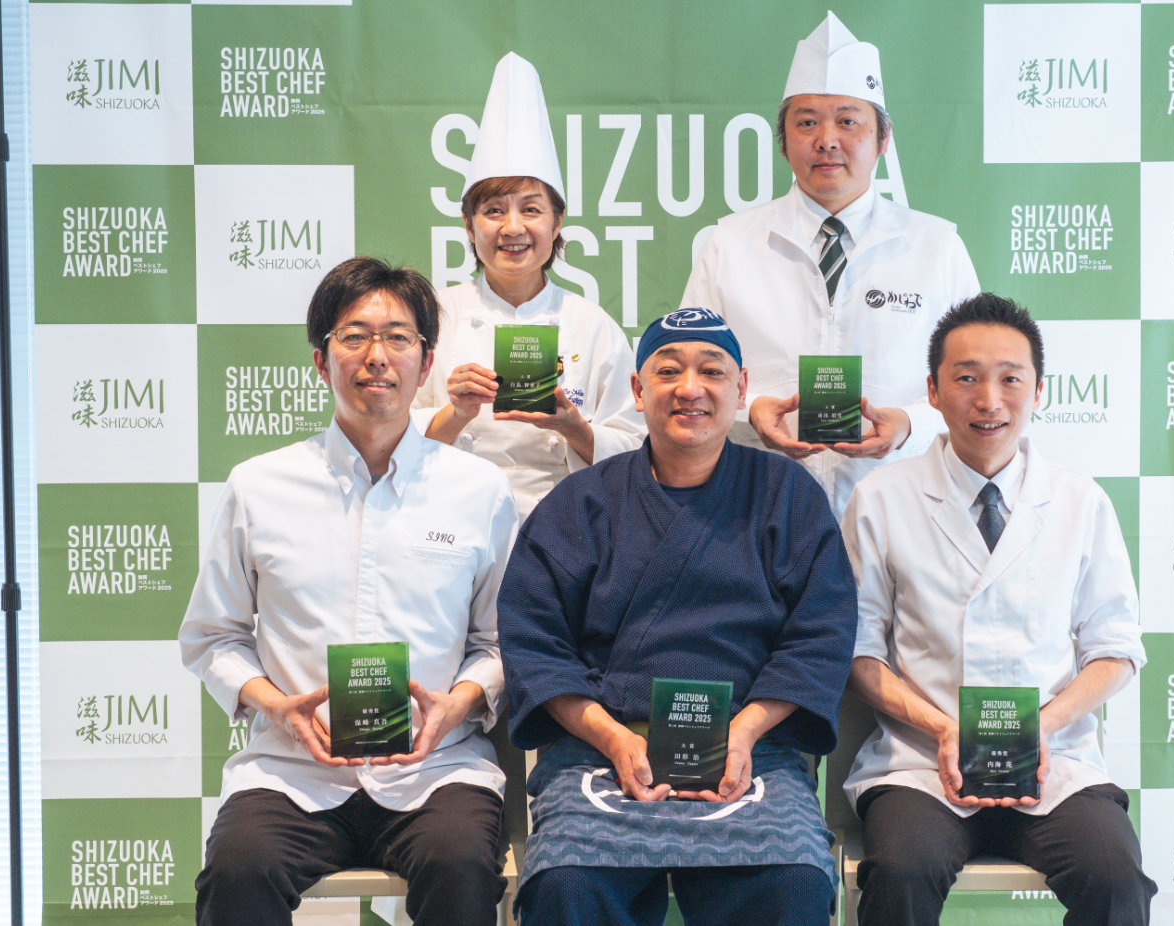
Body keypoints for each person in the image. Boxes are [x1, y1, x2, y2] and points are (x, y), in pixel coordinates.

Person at [181, 257, 519, 926]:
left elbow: (501, 641)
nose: (376, 356)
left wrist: (456, 704)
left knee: (460, 867)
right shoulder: (258, 486)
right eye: (354, 336)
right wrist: (278, 707)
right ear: (321, 359)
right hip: (292, 771)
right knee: (237, 872)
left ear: (425, 363)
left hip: (436, 770)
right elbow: (212, 636)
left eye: (398, 337)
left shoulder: (478, 490)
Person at [497, 308, 858, 926]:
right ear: (638, 390)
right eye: (668, 372)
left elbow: (820, 634)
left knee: (793, 881)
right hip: (600, 751)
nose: (690, 388)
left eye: (711, 371)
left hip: (752, 749)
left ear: (741, 388)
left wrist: (744, 732)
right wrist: (612, 738)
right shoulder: (580, 501)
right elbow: (535, 643)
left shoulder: (787, 494)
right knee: (566, 884)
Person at [841, 294, 1156, 926]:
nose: (989, 400)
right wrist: (943, 730)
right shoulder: (881, 498)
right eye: (966, 378)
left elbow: (1116, 648)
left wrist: (1042, 726)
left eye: (1010, 379)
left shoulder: (1079, 501)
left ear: (1038, 390)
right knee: (900, 873)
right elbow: (858, 652)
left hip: (1052, 763)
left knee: (1116, 878)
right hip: (919, 766)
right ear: (932, 391)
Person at [682, 12, 981, 519]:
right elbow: (689, 371)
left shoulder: (937, 247)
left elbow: (976, 382)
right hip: (756, 513)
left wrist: (909, 424)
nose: (826, 139)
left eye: (847, 121)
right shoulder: (729, 244)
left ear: (883, 138)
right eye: (806, 122)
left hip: (903, 514)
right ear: (783, 142)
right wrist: (749, 412)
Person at [416, 52, 644, 520]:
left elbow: (637, 448)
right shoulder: (432, 317)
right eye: (493, 210)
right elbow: (387, 438)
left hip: (568, 525)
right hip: (450, 520)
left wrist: (574, 427)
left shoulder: (592, 326)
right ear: (468, 225)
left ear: (557, 222)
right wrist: (455, 413)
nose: (513, 227)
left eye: (532, 209)